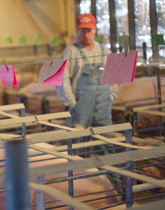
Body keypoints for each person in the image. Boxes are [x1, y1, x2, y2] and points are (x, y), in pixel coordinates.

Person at [56, 13, 120, 189]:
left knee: (106, 144)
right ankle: (77, 188)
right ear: (78, 31)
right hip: (80, 106)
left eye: (89, 30)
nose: (86, 34)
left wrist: (111, 94)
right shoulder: (71, 51)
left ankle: (115, 187)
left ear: (95, 29)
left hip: (103, 105)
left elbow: (113, 75)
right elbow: (62, 79)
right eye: (83, 31)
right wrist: (71, 102)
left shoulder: (104, 50)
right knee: (76, 147)